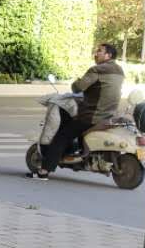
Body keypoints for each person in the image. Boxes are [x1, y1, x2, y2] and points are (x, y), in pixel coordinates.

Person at [32, 42, 126, 180]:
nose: (96, 53)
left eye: (99, 51)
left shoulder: (97, 70)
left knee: (62, 136)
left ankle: (44, 171)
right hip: (109, 114)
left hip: (92, 116)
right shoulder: (119, 71)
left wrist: (76, 82)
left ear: (108, 55)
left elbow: (78, 88)